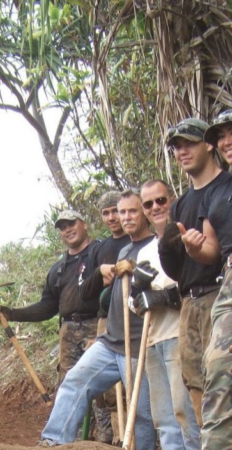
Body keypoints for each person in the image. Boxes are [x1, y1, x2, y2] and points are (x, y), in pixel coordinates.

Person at [40, 190, 157, 448]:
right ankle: (53, 441)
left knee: (140, 411)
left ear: (145, 213)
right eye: (121, 211)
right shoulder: (123, 248)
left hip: (137, 344)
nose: (124, 217)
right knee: (74, 382)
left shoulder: (156, 247)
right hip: (110, 341)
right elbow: (99, 295)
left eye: (131, 211)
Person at [179, 108, 232, 450]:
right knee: (220, 371)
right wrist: (194, 247)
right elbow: (212, 250)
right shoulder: (216, 190)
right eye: (221, 137)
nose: (228, 142)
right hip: (230, 277)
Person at [158, 118, 231, 426]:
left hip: (224, 295)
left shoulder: (230, 186)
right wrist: (166, 245)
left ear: (209, 144)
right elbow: (175, 268)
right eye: (177, 147)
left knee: (228, 379)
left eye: (189, 143)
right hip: (190, 302)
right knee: (194, 380)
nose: (182, 151)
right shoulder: (180, 205)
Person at [0, 210, 108, 386]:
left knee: (105, 389)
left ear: (84, 224)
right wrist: (12, 314)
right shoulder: (58, 269)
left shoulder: (102, 252)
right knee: (68, 389)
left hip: (100, 327)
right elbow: (47, 307)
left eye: (71, 224)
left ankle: (104, 414)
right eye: (62, 228)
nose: (67, 230)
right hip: (68, 333)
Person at [132, 179, 201, 450]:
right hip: (152, 341)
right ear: (144, 210)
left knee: (185, 412)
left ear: (171, 199)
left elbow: (196, 285)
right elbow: (133, 304)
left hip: (178, 336)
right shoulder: (145, 251)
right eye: (148, 204)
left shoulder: (186, 236)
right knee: (164, 419)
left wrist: (164, 296)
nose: (155, 207)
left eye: (160, 200)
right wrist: (138, 291)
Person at [92, 190, 131, 443]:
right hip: (106, 318)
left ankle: (133, 437)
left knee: (132, 378)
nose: (111, 217)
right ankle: (117, 438)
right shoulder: (101, 247)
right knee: (105, 386)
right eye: (105, 213)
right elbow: (89, 288)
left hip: (132, 315)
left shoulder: (135, 240)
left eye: (115, 210)